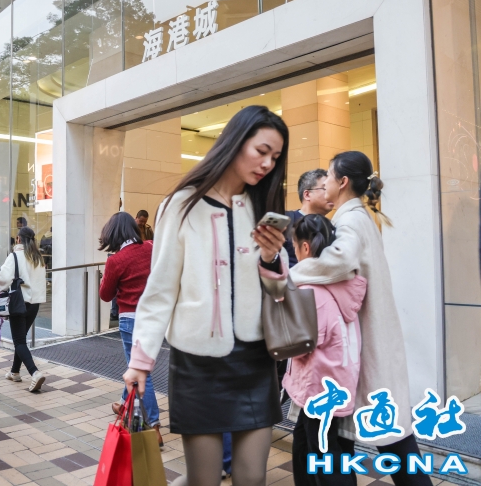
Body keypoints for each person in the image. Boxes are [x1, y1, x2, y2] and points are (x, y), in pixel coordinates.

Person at [123, 106, 290, 486]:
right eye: (261, 151)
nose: (267, 164)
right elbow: (161, 289)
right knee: (204, 480)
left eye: (275, 157)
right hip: (198, 365)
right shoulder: (181, 205)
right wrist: (140, 362)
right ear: (235, 142)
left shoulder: (261, 207)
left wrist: (271, 259)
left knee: (253, 478)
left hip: (255, 360)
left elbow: (280, 294)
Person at [289, 151, 429, 486]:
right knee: (363, 442)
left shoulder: (349, 221)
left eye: (328, 175)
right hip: (364, 348)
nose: (324, 181)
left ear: (342, 182)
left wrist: (291, 277)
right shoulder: (357, 217)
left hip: (363, 350)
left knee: (392, 445)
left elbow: (338, 261)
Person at [285, 213, 366, 486]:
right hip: (336, 381)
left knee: (323, 455)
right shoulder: (341, 285)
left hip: (319, 386)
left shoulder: (312, 291)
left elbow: (301, 346)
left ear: (305, 247)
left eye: (295, 247)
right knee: (307, 444)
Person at [98, 212, 162, 445]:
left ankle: (153, 425)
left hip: (131, 320)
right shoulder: (151, 247)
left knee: (140, 370)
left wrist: (106, 277)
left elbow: (105, 295)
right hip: (155, 318)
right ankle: (125, 406)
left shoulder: (115, 261)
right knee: (135, 366)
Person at [0, 226, 47, 391]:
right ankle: (15, 372)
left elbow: (3, 278)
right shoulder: (38, 258)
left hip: (19, 302)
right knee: (21, 338)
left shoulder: (15, 256)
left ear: (18, 239)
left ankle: (34, 372)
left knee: (19, 341)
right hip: (35, 304)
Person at [283, 169, 333, 267]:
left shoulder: (333, 226)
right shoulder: (286, 220)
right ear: (307, 194)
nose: (331, 193)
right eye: (325, 188)